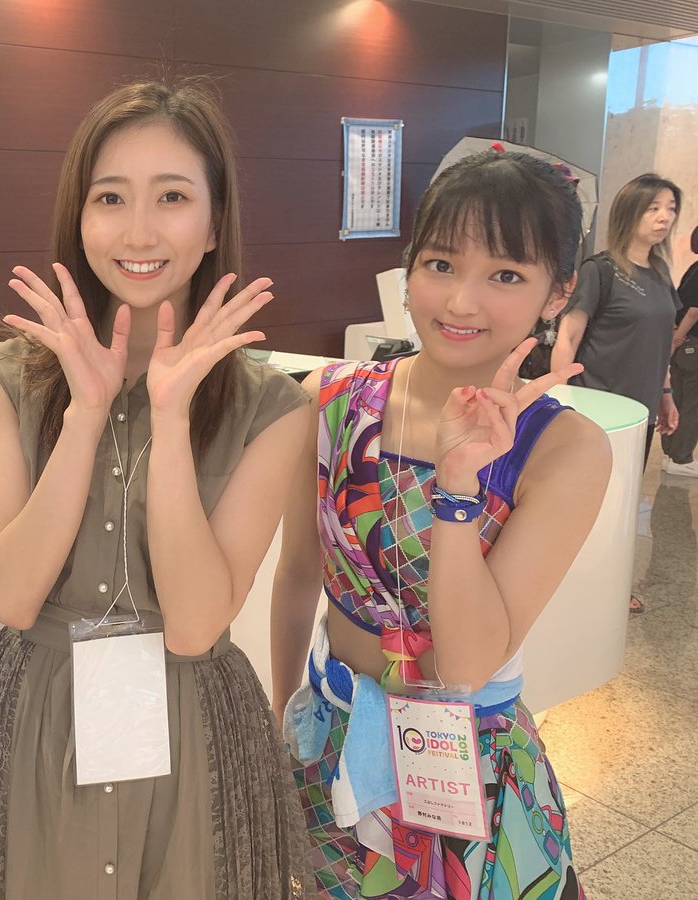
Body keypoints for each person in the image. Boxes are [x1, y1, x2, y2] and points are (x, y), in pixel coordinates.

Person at [0, 80, 311, 899]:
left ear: (213, 222)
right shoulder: (6, 374)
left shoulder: (274, 406)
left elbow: (198, 624)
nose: (139, 230)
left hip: (193, 726)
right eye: (110, 197)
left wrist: (171, 420)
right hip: (39, 716)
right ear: (79, 216)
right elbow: (15, 597)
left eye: (172, 197)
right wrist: (86, 412)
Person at [272, 150, 611, 899]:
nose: (461, 301)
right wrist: (279, 720)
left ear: (559, 292)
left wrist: (458, 492)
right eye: (441, 264)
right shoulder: (329, 399)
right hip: (331, 738)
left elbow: (467, 662)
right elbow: (298, 575)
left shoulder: (563, 449)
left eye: (506, 275)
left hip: (469, 766)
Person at [552, 173, 681, 613]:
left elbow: (662, 342)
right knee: (588, 500)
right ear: (630, 212)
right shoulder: (601, 270)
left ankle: (607, 584)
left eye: (670, 208)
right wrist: (559, 401)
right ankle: (563, 581)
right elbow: (568, 338)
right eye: (654, 208)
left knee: (622, 503)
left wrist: (666, 394)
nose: (664, 217)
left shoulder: (660, 273)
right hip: (597, 408)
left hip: (639, 413)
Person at [661, 225, 698, 476]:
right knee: (693, 404)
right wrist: (678, 337)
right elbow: (693, 311)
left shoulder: (693, 269)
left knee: (680, 399)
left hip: (685, 345)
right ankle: (681, 459)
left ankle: (671, 454)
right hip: (692, 344)